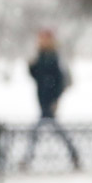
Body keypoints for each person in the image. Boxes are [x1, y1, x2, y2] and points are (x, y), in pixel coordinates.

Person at [20, 28, 80, 171]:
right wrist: (31, 67)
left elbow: (58, 81)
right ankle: (73, 154)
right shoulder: (41, 56)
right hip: (42, 99)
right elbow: (37, 77)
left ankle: (27, 159)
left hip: (49, 101)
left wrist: (55, 100)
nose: (41, 42)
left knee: (38, 131)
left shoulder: (53, 57)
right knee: (52, 129)